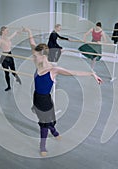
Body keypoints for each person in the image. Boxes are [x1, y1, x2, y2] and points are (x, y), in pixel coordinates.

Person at [22, 27, 103, 157]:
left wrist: (91, 73)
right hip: (36, 97)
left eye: (35, 56)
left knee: (44, 123)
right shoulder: (38, 64)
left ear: (43, 56)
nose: (33, 58)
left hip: (45, 100)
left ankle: (43, 145)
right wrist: (29, 32)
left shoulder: (53, 70)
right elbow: (32, 44)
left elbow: (73, 73)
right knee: (44, 120)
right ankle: (54, 132)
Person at [0, 26, 22, 91]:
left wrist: (17, 32)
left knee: (13, 71)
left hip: (10, 55)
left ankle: (17, 78)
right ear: (3, 31)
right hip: (4, 57)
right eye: (7, 30)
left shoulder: (7, 38)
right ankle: (9, 86)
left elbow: (13, 35)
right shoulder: (1, 40)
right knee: (6, 73)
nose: (8, 31)